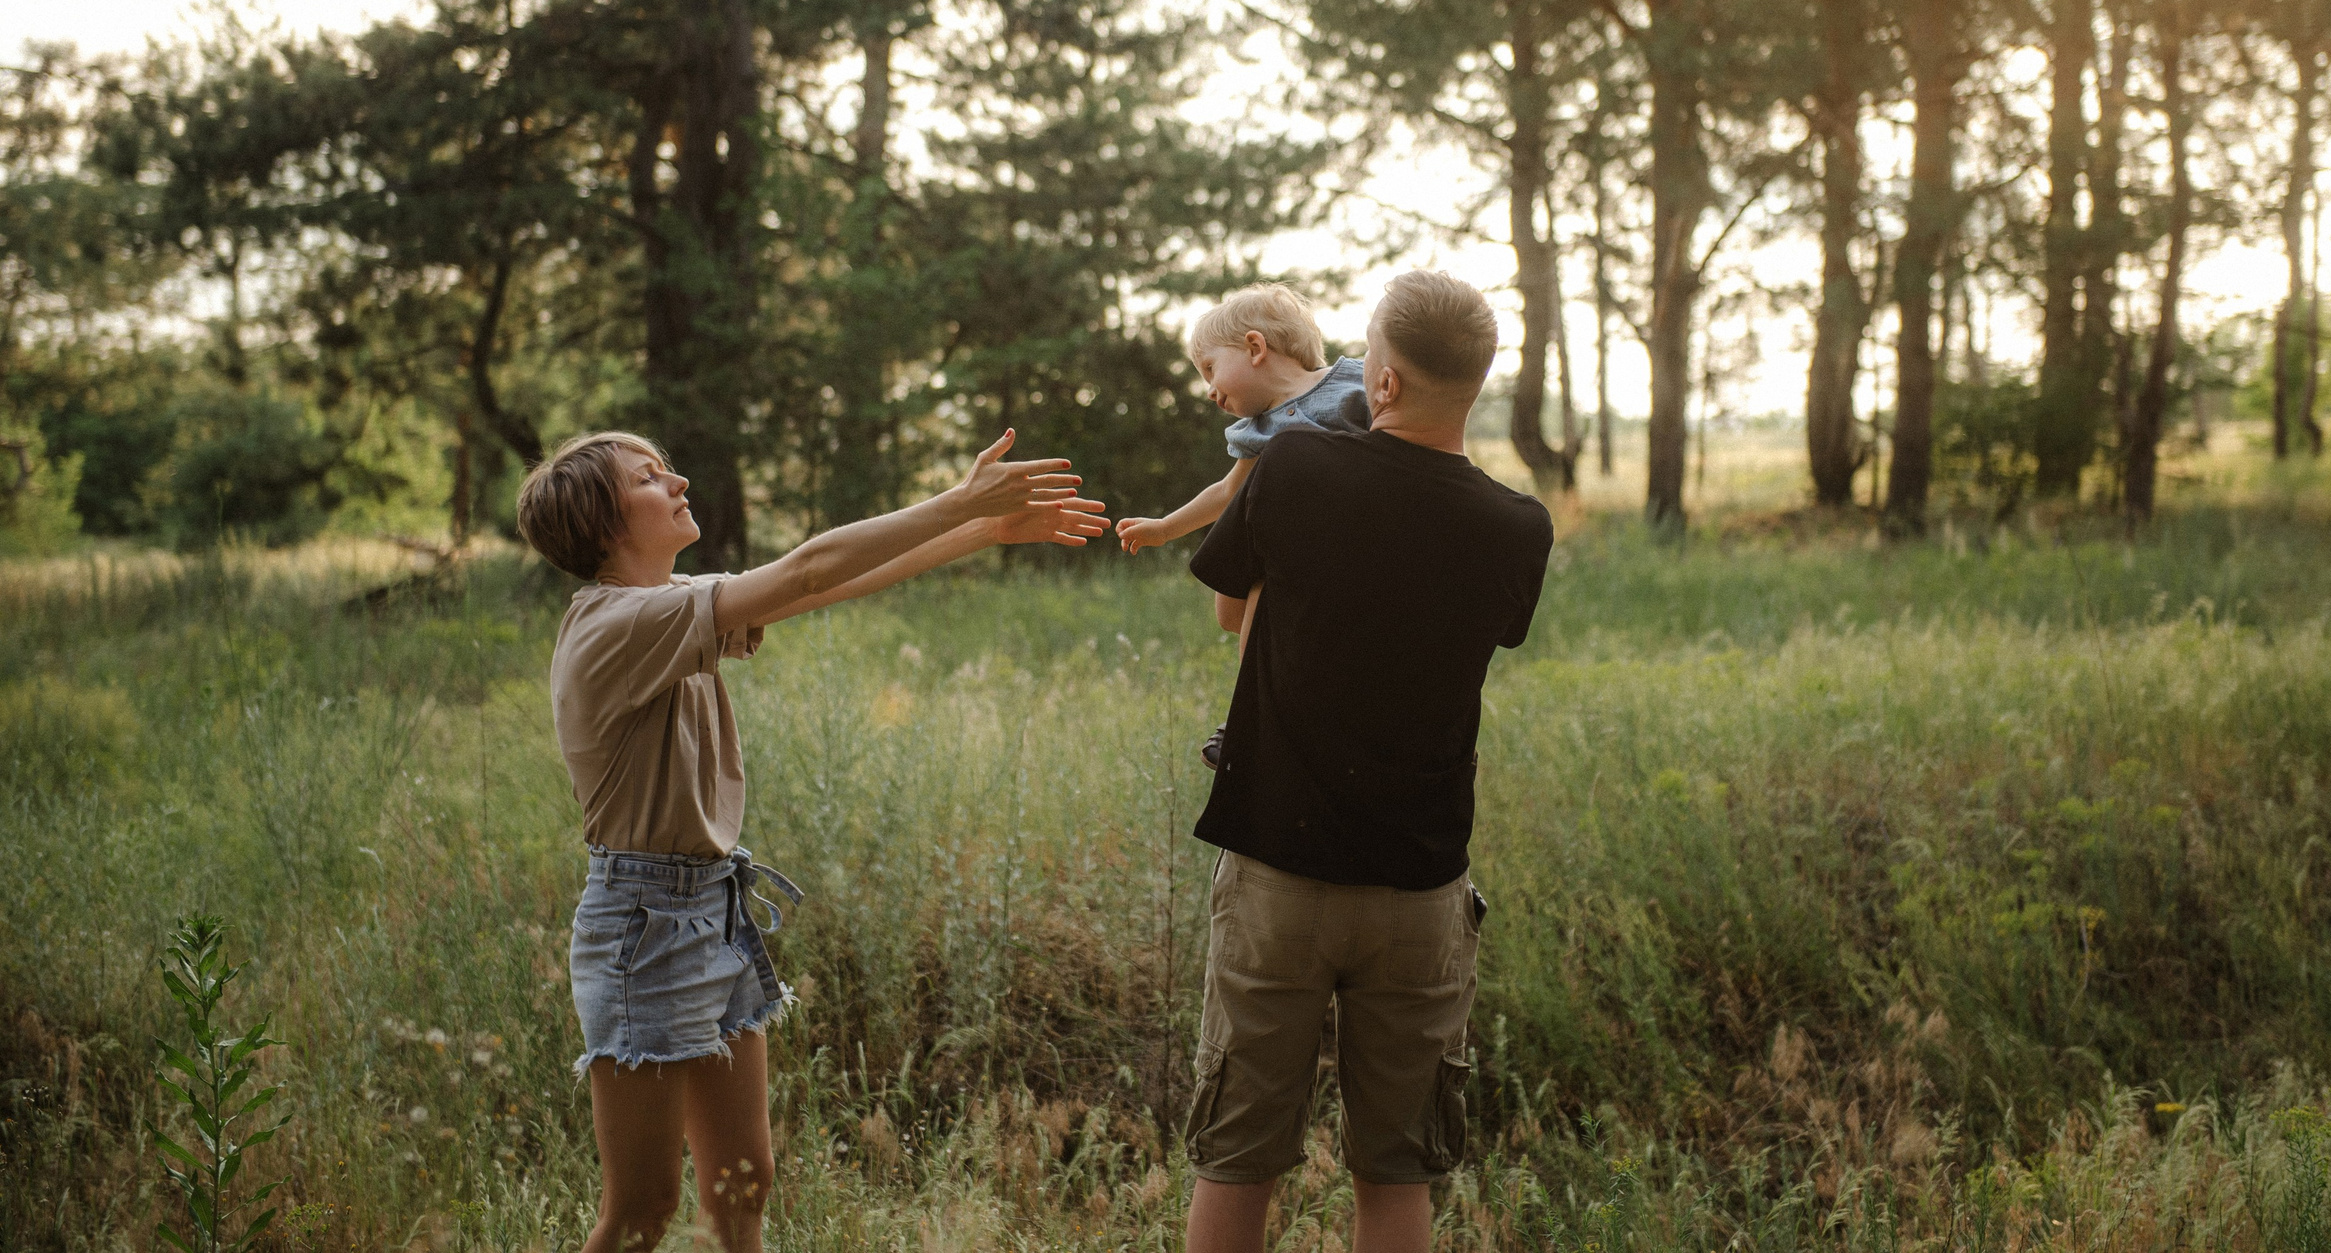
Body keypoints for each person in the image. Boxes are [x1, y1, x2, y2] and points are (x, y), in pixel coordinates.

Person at [514, 428, 1103, 1253]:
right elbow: (805, 567)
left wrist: (979, 532)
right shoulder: (616, 624)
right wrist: (958, 501)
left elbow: (812, 589)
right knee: (642, 1212)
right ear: (604, 522)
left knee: (745, 1182)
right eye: (650, 477)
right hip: (640, 925)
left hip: (709, 909)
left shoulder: (668, 602)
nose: (679, 479)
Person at [1179, 271, 1555, 1253]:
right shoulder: (1518, 527)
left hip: (1275, 876)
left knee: (1239, 1159)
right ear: (1471, 385)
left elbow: (1228, 606)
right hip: (1421, 891)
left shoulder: (1297, 468)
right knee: (1396, 1174)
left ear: (1379, 380)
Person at [1113, 282, 1369, 557]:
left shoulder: (1354, 378)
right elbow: (1226, 492)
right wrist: (1165, 528)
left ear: (1255, 348)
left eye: (1211, 369)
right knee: (1231, 566)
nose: (1210, 391)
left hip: (1373, 522)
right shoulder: (1257, 433)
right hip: (1316, 547)